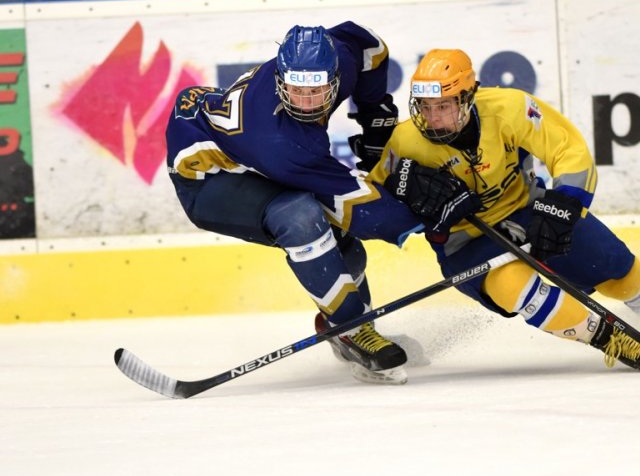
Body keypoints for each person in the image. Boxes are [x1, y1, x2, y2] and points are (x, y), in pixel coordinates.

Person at [165, 23, 471, 384]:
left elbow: (369, 47)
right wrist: (426, 213)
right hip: (209, 179)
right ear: (281, 81)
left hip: (239, 145)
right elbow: (364, 213)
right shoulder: (280, 145)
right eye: (297, 91)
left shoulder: (341, 59)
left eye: (317, 91)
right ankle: (352, 330)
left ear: (334, 76)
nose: (307, 102)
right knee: (301, 217)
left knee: (343, 248)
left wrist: (373, 114)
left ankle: (350, 325)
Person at [371, 48, 640, 370]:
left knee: (620, 272)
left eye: (443, 105)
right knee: (515, 286)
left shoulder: (511, 107)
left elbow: (567, 149)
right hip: (466, 243)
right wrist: (406, 197)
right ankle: (611, 339)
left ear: (468, 96)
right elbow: (373, 208)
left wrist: (565, 203)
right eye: (425, 107)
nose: (433, 117)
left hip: (531, 211)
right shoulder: (404, 142)